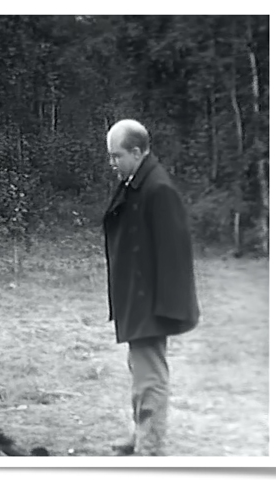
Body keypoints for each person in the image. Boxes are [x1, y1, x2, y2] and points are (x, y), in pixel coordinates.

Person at [103, 119, 200, 456]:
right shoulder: (135, 184)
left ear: (137, 151)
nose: (112, 163)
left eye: (116, 155)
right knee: (139, 369)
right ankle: (141, 433)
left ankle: (151, 446)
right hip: (137, 299)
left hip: (151, 303)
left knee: (150, 375)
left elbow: (175, 255)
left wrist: (164, 310)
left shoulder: (158, 189)